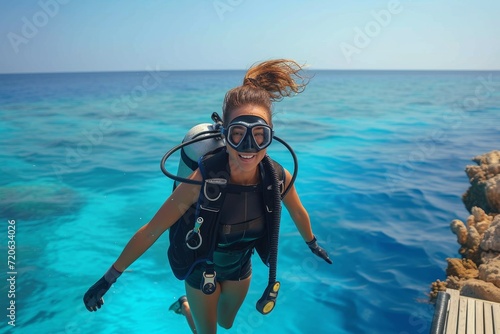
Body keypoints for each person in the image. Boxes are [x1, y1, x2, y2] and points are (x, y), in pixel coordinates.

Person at [83, 59, 332, 334]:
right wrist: (109, 278)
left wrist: (312, 243)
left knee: (226, 323)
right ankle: (191, 305)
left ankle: (185, 306)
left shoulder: (277, 178)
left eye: (259, 135)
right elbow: (153, 229)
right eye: (238, 135)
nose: (249, 147)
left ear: (270, 137)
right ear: (225, 135)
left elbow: (298, 212)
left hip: (240, 267)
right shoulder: (203, 180)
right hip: (202, 270)